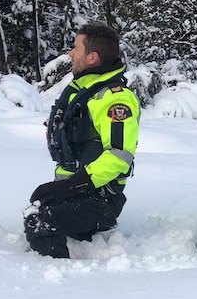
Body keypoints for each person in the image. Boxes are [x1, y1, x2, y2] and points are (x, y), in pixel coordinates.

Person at [24, 22, 140, 258]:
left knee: (40, 221)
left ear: (92, 58)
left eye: (76, 48)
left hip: (100, 198)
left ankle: (59, 278)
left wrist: (74, 185)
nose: (70, 53)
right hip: (78, 191)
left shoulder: (114, 99)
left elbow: (119, 156)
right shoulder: (83, 91)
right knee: (36, 203)